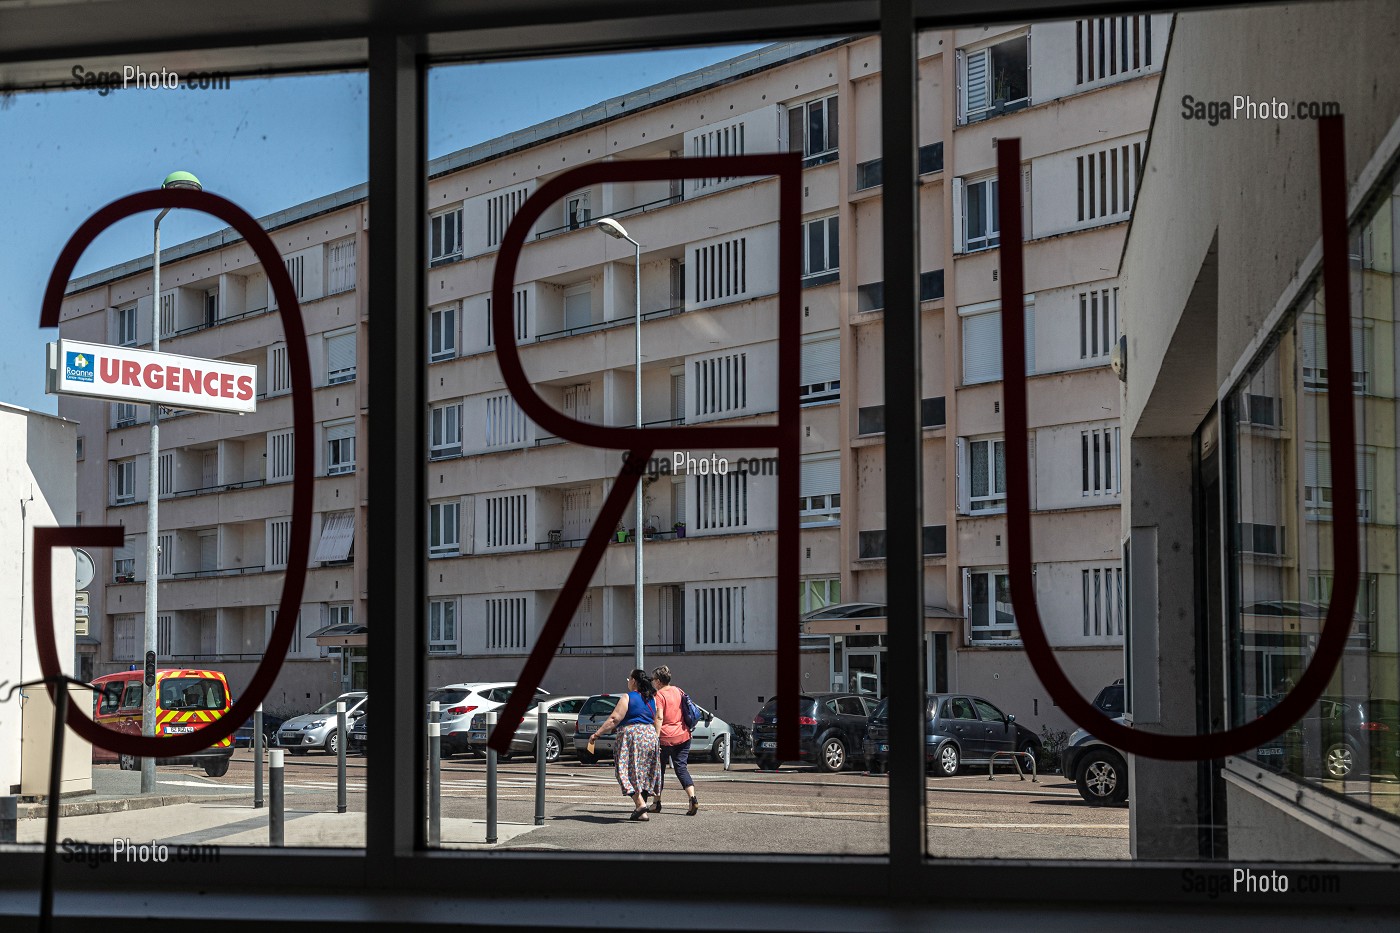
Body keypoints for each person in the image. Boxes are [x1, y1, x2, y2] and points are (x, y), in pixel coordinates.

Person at [589, 668, 662, 821]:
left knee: (624, 771)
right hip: (650, 736)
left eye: (629, 678)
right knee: (642, 773)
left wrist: (597, 734)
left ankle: (640, 804)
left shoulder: (628, 697)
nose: (628, 681)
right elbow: (657, 718)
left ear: (634, 680)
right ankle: (642, 812)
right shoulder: (651, 698)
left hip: (632, 736)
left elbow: (614, 719)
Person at [650, 665, 699, 815]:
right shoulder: (679, 691)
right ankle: (693, 798)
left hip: (665, 737)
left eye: (653, 679)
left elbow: (659, 717)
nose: (652, 682)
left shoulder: (659, 695)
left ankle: (656, 803)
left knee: (659, 771)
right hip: (683, 735)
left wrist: (655, 737)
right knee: (681, 768)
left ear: (658, 681)